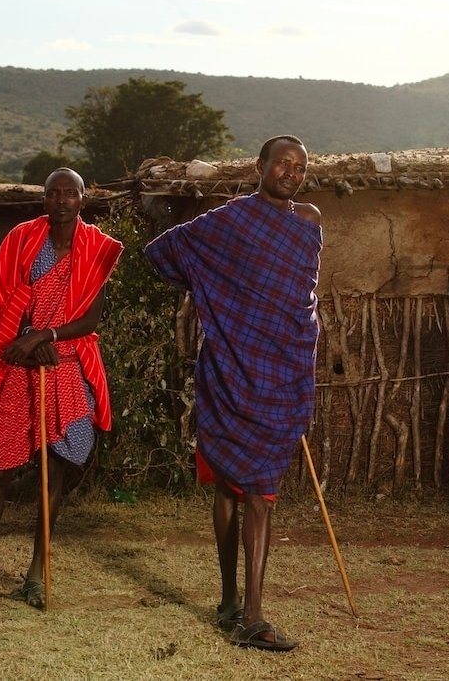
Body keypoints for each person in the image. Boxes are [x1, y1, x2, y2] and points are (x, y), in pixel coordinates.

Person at [144, 135, 322, 651]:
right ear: (260, 166)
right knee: (232, 487)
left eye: (299, 167)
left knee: (256, 494)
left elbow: (301, 292)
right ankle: (246, 613)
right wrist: (212, 288)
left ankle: (238, 608)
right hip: (231, 366)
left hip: (280, 370)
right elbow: (164, 253)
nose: (291, 172)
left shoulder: (307, 223)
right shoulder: (227, 221)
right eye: (282, 163)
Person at [0, 167, 123, 609]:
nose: (61, 200)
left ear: (83, 199)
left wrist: (47, 337)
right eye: (53, 193)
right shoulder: (22, 240)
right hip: (17, 363)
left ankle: (35, 574)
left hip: (63, 363)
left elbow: (91, 320)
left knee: (55, 469)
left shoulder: (97, 250)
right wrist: (25, 335)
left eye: (70, 194)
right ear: (45, 200)